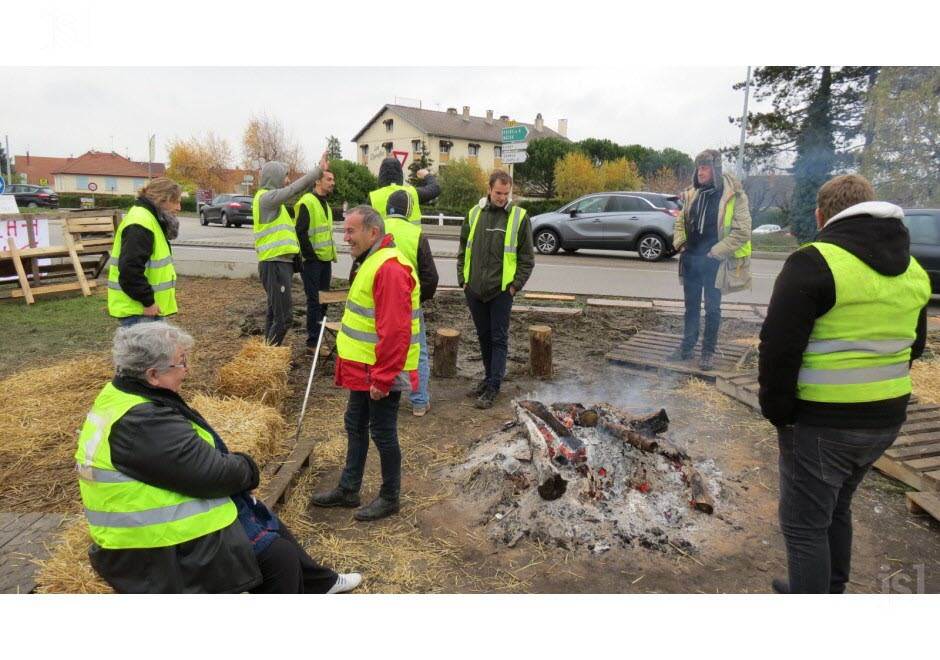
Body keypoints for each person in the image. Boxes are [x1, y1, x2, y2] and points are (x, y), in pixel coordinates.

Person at [75, 322, 361, 593]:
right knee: (278, 558)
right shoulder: (143, 421)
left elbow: (188, 465)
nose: (186, 370)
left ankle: (321, 583)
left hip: (153, 523)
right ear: (152, 374)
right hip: (151, 548)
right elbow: (212, 475)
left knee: (260, 513)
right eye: (181, 362)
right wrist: (247, 469)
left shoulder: (126, 394)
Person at [758, 174, 930, 594]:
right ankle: (827, 589)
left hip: (821, 424)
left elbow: (779, 349)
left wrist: (779, 414)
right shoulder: (914, 270)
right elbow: (916, 347)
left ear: (822, 215)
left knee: (803, 528)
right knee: (836, 507)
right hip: (885, 419)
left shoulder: (813, 261)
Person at [309, 206, 420, 521]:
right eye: (345, 231)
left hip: (380, 371)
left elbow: (395, 330)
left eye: (350, 231)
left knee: (382, 432)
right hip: (365, 367)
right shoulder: (372, 261)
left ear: (373, 233)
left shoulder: (390, 267)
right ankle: (348, 489)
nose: (345, 238)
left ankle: (390, 497)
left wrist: (383, 379)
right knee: (355, 424)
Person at [456, 171, 534, 409]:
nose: (502, 198)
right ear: (489, 189)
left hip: (501, 291)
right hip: (475, 290)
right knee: (484, 337)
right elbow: (462, 249)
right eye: (498, 193)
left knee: (499, 338)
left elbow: (527, 259)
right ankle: (488, 377)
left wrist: (514, 287)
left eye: (506, 193)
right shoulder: (474, 214)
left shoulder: (519, 217)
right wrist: (463, 280)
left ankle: (494, 386)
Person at [668, 149, 752, 371]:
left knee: (713, 309)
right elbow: (680, 223)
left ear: (715, 170)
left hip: (715, 262)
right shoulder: (692, 193)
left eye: (704, 168)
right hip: (691, 260)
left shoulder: (734, 195)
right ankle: (687, 348)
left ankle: (708, 353)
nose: (700, 172)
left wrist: (716, 251)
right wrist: (681, 244)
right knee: (690, 307)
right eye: (698, 168)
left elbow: (742, 231)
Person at [252, 151, 329, 346]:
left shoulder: (272, 203)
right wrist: (318, 170)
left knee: (274, 312)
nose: (287, 181)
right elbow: (295, 188)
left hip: (278, 264)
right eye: (285, 176)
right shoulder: (266, 199)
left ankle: (266, 354)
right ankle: (267, 358)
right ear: (275, 177)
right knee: (284, 317)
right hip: (275, 263)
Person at [385, 189, 439, 416]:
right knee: (418, 352)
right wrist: (418, 297)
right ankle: (418, 402)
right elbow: (430, 278)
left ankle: (384, 396)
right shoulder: (416, 234)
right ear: (408, 210)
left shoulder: (374, 230)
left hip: (380, 304)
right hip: (408, 304)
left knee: (383, 349)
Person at [108, 178, 182, 326]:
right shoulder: (141, 222)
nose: (179, 207)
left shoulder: (148, 218)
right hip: (140, 312)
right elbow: (130, 270)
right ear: (162, 199)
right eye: (176, 202)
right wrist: (148, 302)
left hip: (145, 310)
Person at [294, 168, 338, 356]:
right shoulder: (307, 202)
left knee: (324, 301)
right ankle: (313, 343)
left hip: (325, 259)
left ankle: (319, 340)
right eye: (329, 179)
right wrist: (310, 257)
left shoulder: (325, 205)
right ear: (317, 181)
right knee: (314, 301)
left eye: (333, 179)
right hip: (312, 262)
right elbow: (300, 231)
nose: (332, 182)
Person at [367, 156, 441, 225]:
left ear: (381, 175)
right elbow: (435, 188)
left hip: (385, 238)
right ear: (400, 174)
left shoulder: (373, 197)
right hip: (412, 238)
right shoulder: (412, 193)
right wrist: (426, 174)